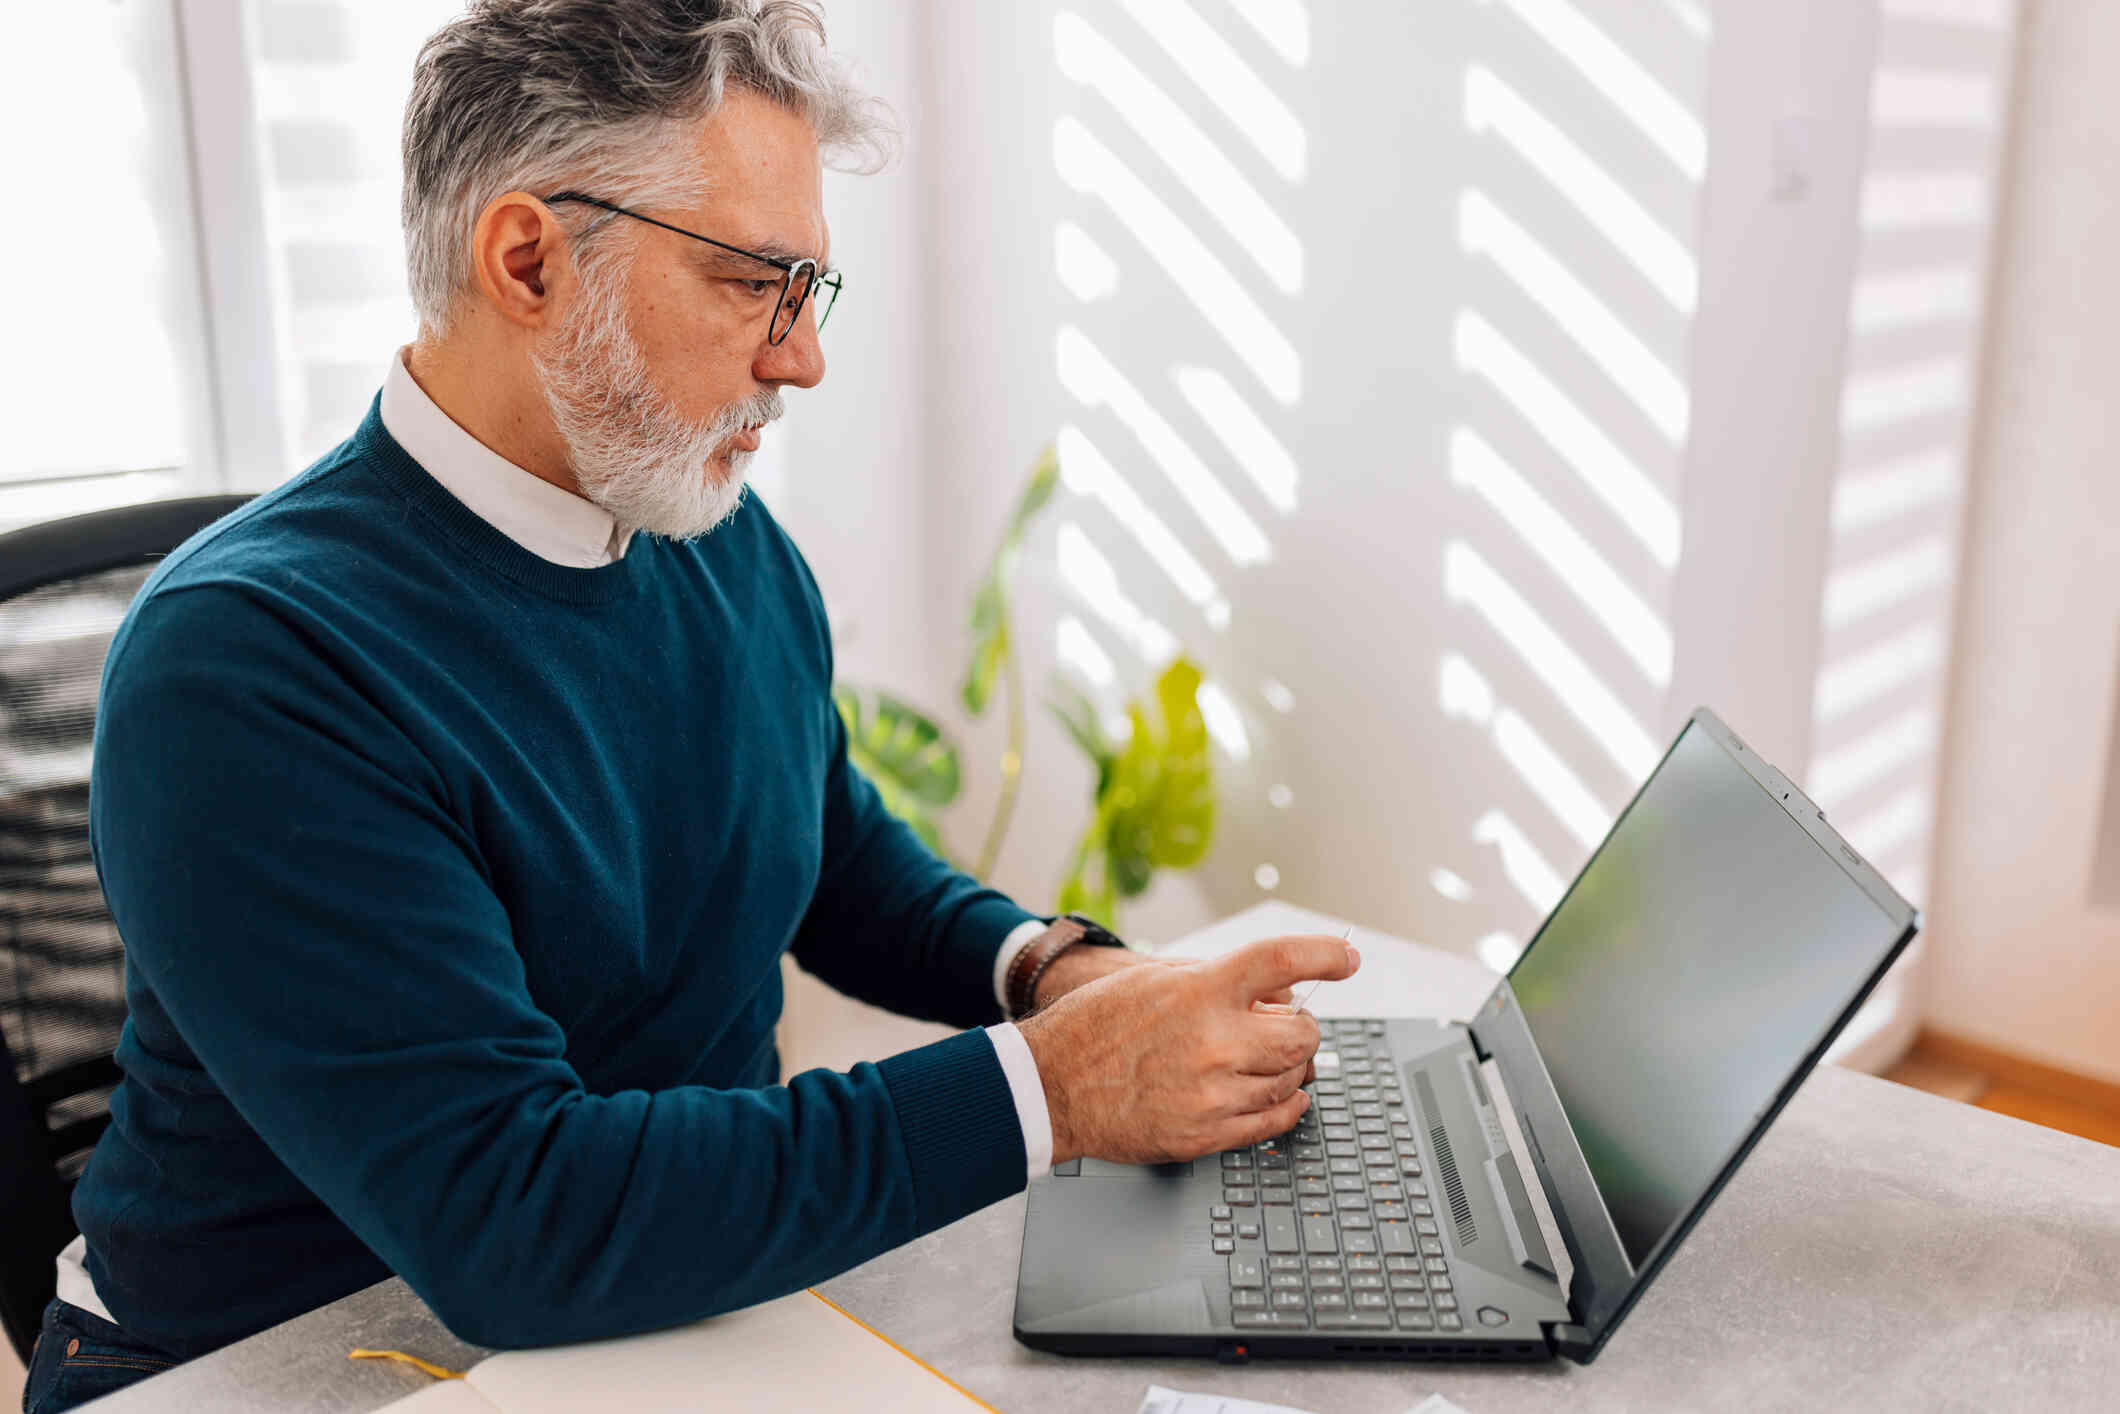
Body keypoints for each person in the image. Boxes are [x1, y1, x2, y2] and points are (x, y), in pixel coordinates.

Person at [21, 3, 1357, 1409]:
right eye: (751, 282)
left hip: (674, 1316)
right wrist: (1053, 1088)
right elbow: (512, 1213)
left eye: (810, 289)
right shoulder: (248, 668)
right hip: (299, 1361)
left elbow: (821, 840)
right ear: (528, 258)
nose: (801, 358)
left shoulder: (700, 525)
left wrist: (1048, 972)